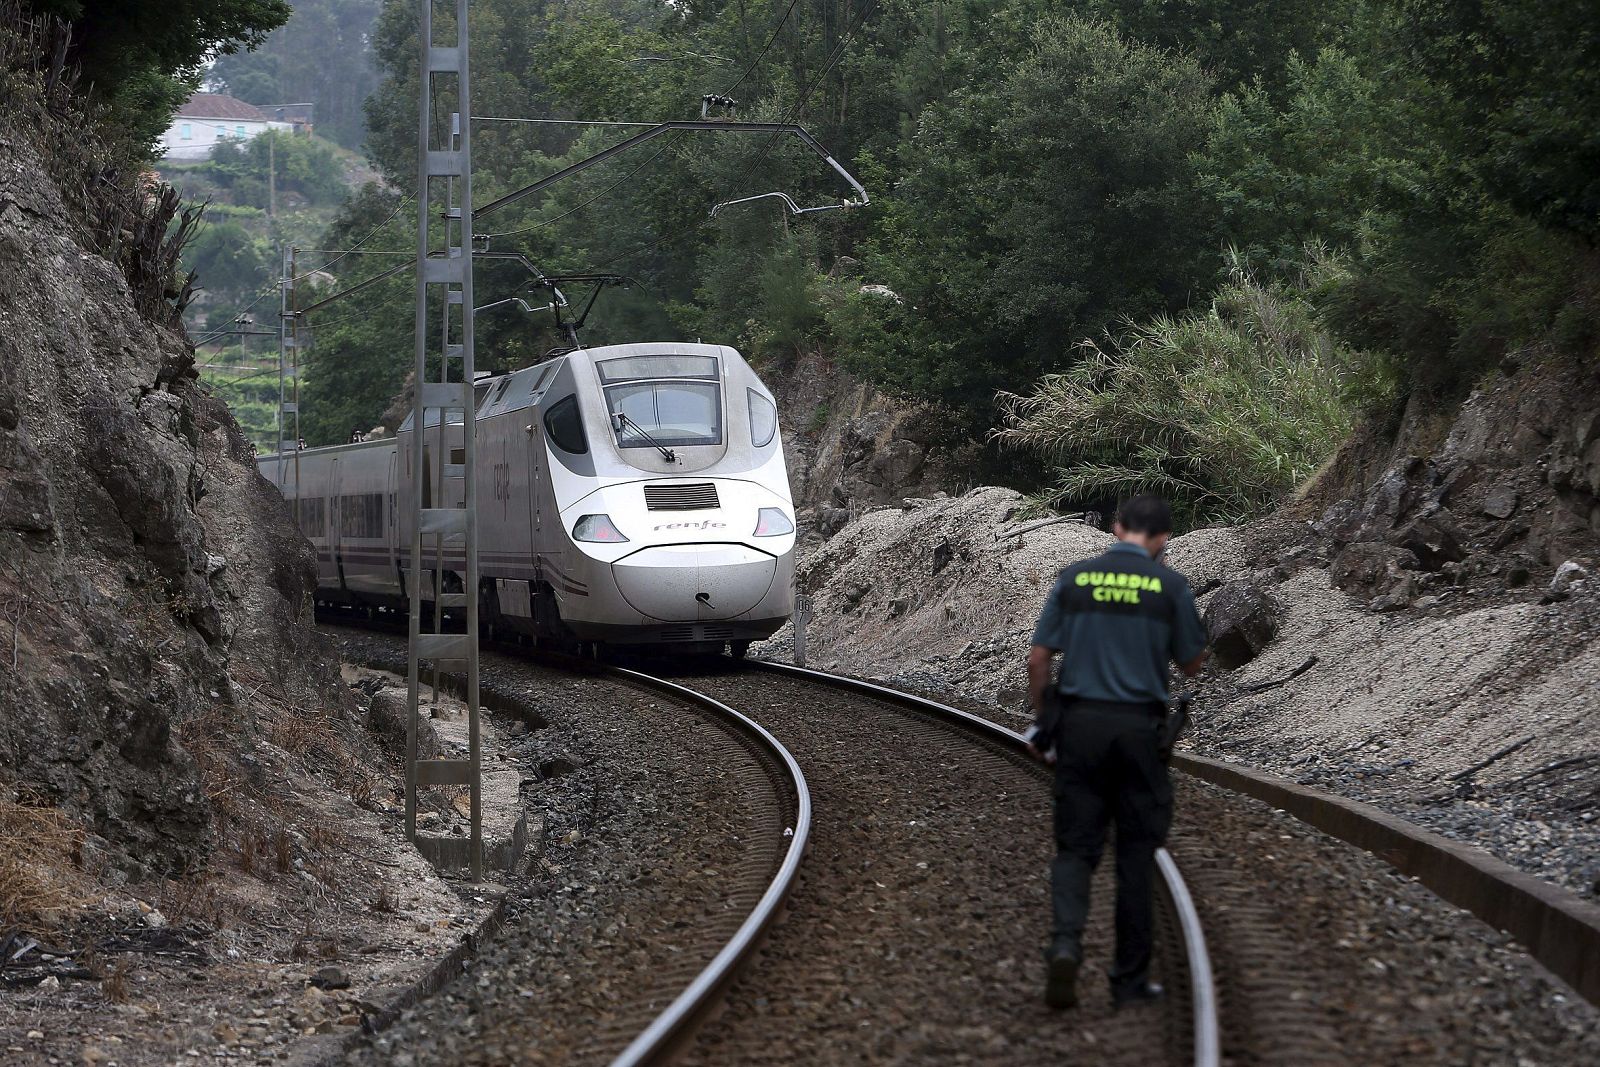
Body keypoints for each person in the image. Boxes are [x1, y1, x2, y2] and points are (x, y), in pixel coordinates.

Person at [1025, 494, 1207, 1010]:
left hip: (1081, 730)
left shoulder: (1075, 578)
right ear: (1163, 539)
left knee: (1076, 848)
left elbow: (1039, 658)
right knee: (1135, 855)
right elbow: (1193, 663)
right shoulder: (1170, 586)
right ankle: (1128, 981)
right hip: (1138, 734)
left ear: (1116, 528)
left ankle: (1066, 945)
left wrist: (1044, 722)